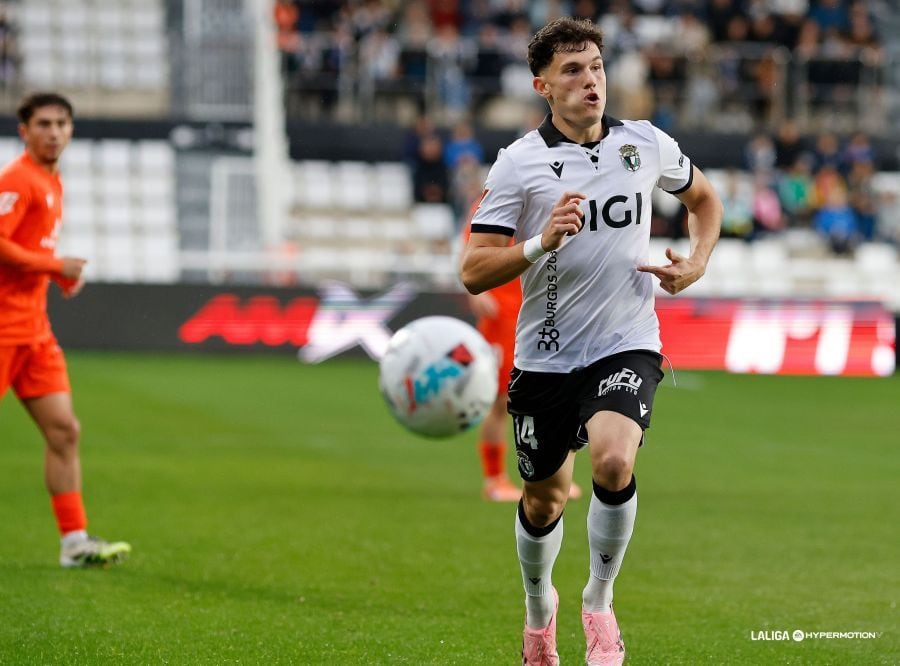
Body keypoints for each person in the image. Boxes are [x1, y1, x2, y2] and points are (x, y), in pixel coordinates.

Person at [460, 18, 722, 665]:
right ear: (542, 85)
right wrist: (539, 243)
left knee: (612, 462)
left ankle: (599, 605)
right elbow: (473, 267)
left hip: (626, 339)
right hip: (546, 355)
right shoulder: (520, 163)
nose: (590, 81)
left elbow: (706, 200)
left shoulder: (646, 143)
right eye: (573, 71)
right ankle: (538, 609)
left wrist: (697, 261)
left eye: (597, 67)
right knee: (544, 497)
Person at [0, 92, 131, 568]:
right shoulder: (18, 179)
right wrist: (55, 263)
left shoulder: (53, 182)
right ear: (24, 131)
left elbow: (25, 250)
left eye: (61, 123)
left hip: (33, 333)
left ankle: (74, 541)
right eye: (43, 124)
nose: (53, 132)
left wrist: (54, 275)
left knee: (64, 431)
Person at [462, 200, 583, 503]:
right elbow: (469, 252)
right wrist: (478, 294)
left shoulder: (554, 197)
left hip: (546, 313)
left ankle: (555, 476)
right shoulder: (495, 201)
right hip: (502, 316)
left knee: (559, 397)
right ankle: (494, 479)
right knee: (501, 400)